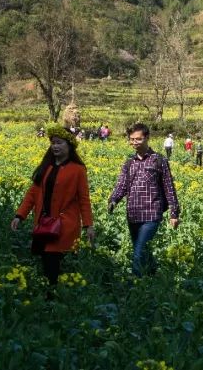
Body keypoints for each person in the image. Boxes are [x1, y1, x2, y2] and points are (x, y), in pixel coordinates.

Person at [11, 125, 95, 288]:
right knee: (48, 268)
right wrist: (19, 215)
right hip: (44, 225)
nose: (55, 146)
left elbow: (84, 199)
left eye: (59, 143)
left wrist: (88, 225)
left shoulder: (78, 170)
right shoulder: (46, 167)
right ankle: (50, 301)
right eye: (53, 143)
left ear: (69, 145)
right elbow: (32, 194)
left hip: (65, 227)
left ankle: (57, 302)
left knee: (61, 268)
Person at [109, 123, 180, 277]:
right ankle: (155, 277)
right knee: (143, 250)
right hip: (133, 214)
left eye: (138, 139)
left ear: (147, 138)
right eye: (132, 139)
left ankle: (135, 287)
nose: (134, 142)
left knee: (138, 254)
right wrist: (114, 200)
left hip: (151, 214)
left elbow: (169, 187)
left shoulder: (158, 160)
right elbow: (122, 185)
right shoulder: (129, 162)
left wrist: (174, 213)